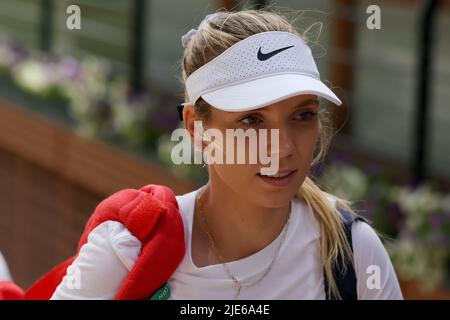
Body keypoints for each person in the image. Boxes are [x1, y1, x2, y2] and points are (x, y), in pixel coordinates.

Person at [50, 9, 403, 300]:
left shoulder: (352, 253)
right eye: (251, 119)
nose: (282, 147)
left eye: (303, 115)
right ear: (195, 127)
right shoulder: (127, 248)